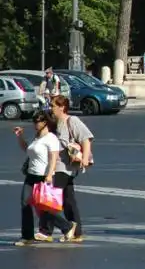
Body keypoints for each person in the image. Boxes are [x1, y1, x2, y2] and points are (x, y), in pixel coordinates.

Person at [13, 111, 77, 246]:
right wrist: (20, 137)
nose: (35, 124)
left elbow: (54, 157)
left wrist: (49, 174)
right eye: (34, 121)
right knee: (25, 204)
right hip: (31, 175)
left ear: (45, 122)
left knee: (43, 207)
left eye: (38, 121)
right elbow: (27, 149)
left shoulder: (51, 138)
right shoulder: (37, 137)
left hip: (43, 176)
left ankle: (67, 226)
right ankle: (27, 236)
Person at [38, 96, 93, 243]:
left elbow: (85, 139)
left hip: (64, 166)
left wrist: (85, 158)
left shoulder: (72, 121)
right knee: (68, 200)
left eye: (53, 105)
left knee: (48, 199)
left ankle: (47, 231)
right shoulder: (55, 123)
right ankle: (76, 233)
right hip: (57, 166)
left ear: (62, 107)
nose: (51, 108)